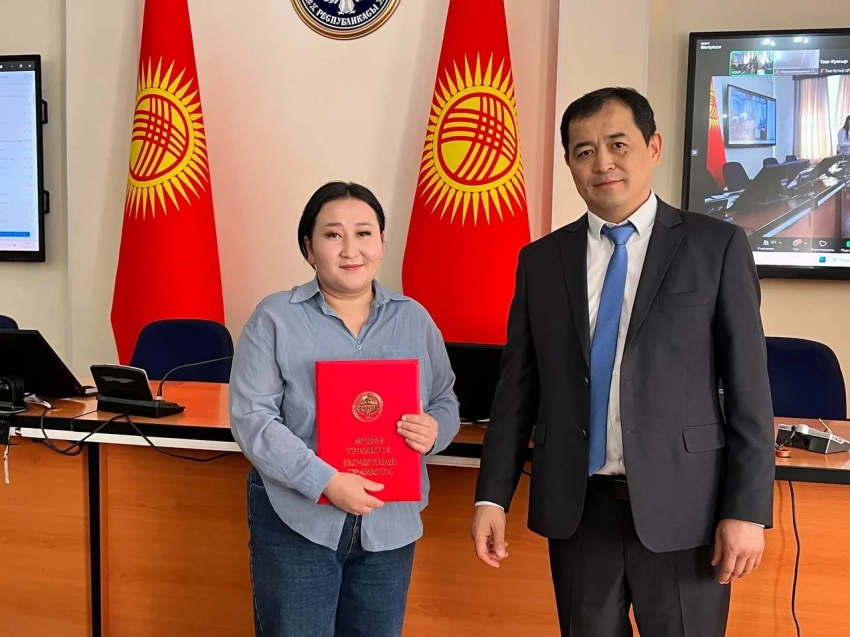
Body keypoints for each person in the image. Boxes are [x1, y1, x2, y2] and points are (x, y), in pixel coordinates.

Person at [471, 87, 775, 636]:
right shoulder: (541, 261)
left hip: (687, 513)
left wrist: (748, 509)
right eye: (584, 151)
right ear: (569, 163)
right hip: (580, 511)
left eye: (618, 145)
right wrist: (492, 496)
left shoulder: (716, 247)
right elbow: (517, 389)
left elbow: (749, 390)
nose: (602, 163)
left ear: (653, 147)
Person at [230, 181, 460, 637]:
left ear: (381, 243)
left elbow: (445, 399)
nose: (351, 249)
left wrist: (435, 430)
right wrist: (325, 481)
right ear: (309, 248)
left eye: (364, 233)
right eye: (333, 234)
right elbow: (253, 419)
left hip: (389, 525)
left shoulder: (414, 318)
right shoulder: (274, 318)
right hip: (299, 521)